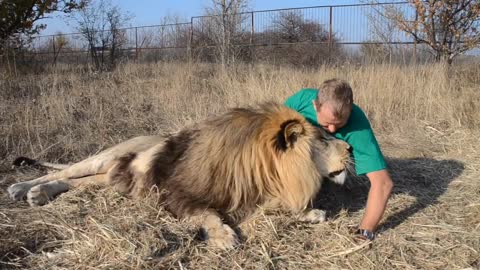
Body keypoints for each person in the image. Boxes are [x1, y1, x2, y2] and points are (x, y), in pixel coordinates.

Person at [284, 78, 393, 241]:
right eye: (327, 124)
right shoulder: (300, 101)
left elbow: (383, 183)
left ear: (351, 110)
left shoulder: (358, 126)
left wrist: (365, 231)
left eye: (341, 123)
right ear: (315, 105)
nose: (333, 129)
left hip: (334, 162)